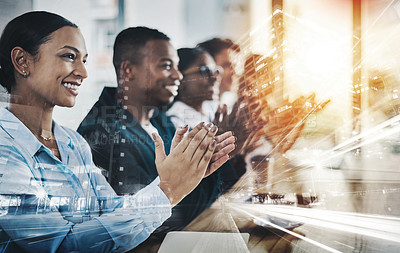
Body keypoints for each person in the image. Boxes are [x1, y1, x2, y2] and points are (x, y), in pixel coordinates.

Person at [0, 11, 231, 252]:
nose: (83, 72)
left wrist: (179, 179)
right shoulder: (5, 152)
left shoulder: (72, 143)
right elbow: (62, 246)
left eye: (84, 60)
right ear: (22, 61)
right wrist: (167, 190)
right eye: (69, 56)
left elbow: (112, 211)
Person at [77, 27, 239, 235]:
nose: (177, 75)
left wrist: (217, 161)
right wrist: (204, 175)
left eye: (177, 67)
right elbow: (158, 221)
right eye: (166, 66)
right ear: (129, 70)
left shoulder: (161, 122)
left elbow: (212, 194)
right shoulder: (104, 133)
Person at [167, 47, 222, 128]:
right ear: (181, 79)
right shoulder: (175, 121)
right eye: (205, 71)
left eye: (215, 71)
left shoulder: (211, 109)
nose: (215, 77)